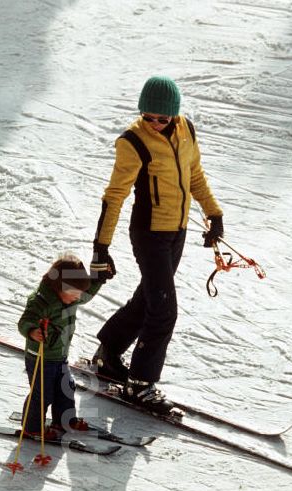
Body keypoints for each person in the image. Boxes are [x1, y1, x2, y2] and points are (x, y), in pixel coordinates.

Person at [89, 75, 223, 414]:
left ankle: (108, 350)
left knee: (150, 296)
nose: (155, 124)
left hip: (176, 231)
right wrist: (101, 248)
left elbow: (194, 175)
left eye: (162, 118)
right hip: (149, 234)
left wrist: (213, 214)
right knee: (163, 310)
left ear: (174, 115)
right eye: (148, 117)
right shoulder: (132, 142)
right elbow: (114, 196)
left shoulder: (186, 130)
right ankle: (140, 384)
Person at [17, 253, 105, 438]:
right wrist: (33, 331)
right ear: (59, 286)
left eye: (77, 295)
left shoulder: (70, 295)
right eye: (73, 294)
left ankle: (65, 420)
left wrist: (100, 279)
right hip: (40, 357)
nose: (76, 298)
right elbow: (25, 321)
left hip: (59, 356)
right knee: (43, 394)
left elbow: (85, 294)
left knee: (66, 387)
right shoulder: (41, 301)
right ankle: (31, 427)